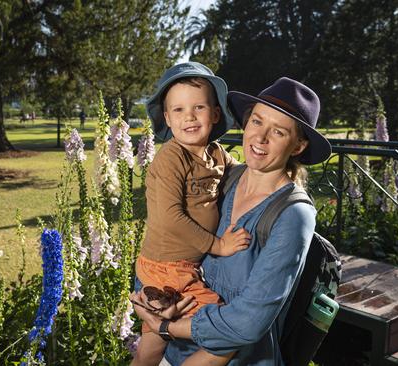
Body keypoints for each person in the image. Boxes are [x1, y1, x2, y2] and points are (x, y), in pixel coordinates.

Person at [131, 77, 332, 365]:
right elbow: (170, 240)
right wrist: (148, 304)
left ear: (298, 145)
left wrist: (164, 326)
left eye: (278, 132)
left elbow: (247, 322)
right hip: (174, 353)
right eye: (256, 121)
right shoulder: (225, 178)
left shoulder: (293, 214)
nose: (260, 138)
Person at [131, 62, 251, 366]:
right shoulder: (171, 157)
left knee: (151, 346)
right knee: (225, 331)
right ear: (167, 118)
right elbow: (171, 216)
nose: (189, 117)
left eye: (198, 107)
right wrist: (219, 245)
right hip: (166, 267)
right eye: (179, 110)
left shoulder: (215, 152)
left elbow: (240, 172)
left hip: (179, 266)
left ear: (214, 114)